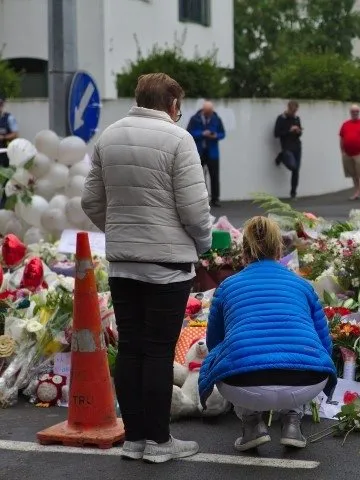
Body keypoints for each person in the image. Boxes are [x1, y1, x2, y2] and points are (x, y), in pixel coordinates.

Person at [81, 73, 212, 464]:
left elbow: (90, 200)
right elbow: (193, 209)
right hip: (167, 266)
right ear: (172, 103)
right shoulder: (179, 139)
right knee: (157, 351)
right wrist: (203, 245)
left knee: (132, 349)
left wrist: (121, 232)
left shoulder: (109, 136)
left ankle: (135, 439)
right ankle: (159, 441)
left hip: (123, 265)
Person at [198, 216, 336, 452]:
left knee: (227, 359)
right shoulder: (302, 285)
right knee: (310, 354)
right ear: (279, 248)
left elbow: (214, 342)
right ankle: (292, 423)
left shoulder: (227, 286)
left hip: (242, 385)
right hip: (306, 382)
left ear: (244, 249)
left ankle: (252, 424)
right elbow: (325, 343)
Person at [187, 100, 226, 208]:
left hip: (212, 153)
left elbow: (222, 134)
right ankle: (200, 199)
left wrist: (215, 136)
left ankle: (215, 199)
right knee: (198, 177)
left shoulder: (217, 119)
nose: (209, 114)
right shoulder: (195, 119)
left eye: (210, 112)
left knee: (214, 176)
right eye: (207, 112)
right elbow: (189, 132)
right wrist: (202, 134)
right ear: (203, 110)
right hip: (199, 152)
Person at [340, 104, 360, 202]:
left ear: (359, 112)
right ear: (350, 113)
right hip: (348, 154)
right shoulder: (345, 124)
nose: (355, 113)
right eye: (353, 111)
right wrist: (342, 152)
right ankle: (357, 192)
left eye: (357, 111)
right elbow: (342, 138)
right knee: (353, 174)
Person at [274, 100, 303, 199]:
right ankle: (281, 156)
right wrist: (289, 131)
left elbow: (300, 134)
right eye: (292, 110)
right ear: (288, 108)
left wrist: (298, 131)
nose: (294, 113)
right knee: (292, 166)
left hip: (297, 146)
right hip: (287, 146)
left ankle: (293, 192)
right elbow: (276, 134)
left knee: (296, 170)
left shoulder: (297, 118)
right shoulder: (281, 118)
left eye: (295, 111)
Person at [0, 95, 19, 168]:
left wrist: (3, 137)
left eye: (0, 104)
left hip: (4, 152)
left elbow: (15, 134)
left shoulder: (9, 118)